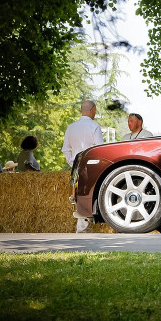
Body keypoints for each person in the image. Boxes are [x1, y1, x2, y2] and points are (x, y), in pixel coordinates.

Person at [62, 100, 103, 233]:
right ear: (92, 110)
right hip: (90, 165)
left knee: (78, 195)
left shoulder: (71, 127)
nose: (95, 113)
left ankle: (82, 226)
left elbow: (65, 149)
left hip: (76, 165)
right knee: (88, 195)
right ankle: (82, 227)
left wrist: (73, 163)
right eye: (95, 110)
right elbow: (98, 149)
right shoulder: (94, 126)